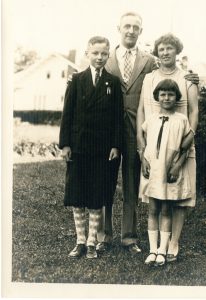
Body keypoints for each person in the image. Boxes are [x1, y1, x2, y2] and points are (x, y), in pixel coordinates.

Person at [97, 13, 199, 254]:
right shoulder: (107, 58)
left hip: (136, 130)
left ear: (140, 31)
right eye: (127, 26)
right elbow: (89, 76)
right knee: (105, 183)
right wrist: (72, 80)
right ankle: (103, 235)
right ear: (119, 28)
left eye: (136, 27)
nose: (131, 31)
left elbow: (169, 76)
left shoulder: (150, 61)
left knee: (133, 183)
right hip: (107, 131)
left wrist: (192, 77)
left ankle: (129, 238)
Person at [59, 36, 123, 259]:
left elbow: (117, 118)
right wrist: (65, 144)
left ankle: (93, 242)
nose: (99, 57)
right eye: (95, 53)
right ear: (87, 53)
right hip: (79, 147)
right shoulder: (76, 80)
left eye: (104, 54)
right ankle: (79, 242)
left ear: (108, 55)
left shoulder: (113, 83)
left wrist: (116, 145)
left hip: (102, 150)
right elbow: (67, 114)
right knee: (78, 195)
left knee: (96, 195)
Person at [137, 33, 199, 262]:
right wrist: (141, 146)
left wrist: (186, 144)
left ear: (177, 51)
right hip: (154, 146)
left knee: (179, 196)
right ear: (157, 52)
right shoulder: (150, 79)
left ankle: (173, 243)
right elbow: (143, 112)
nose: (165, 53)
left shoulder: (188, 78)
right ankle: (157, 246)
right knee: (157, 196)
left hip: (180, 142)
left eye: (170, 48)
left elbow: (193, 112)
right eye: (161, 49)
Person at [141, 79, 194, 266]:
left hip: (169, 170)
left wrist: (177, 165)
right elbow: (145, 144)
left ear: (176, 97)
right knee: (153, 209)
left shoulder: (182, 120)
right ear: (157, 97)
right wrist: (143, 162)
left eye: (170, 94)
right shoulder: (152, 119)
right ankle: (152, 250)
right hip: (154, 170)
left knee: (165, 210)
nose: (166, 98)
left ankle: (163, 250)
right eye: (162, 94)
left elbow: (186, 147)